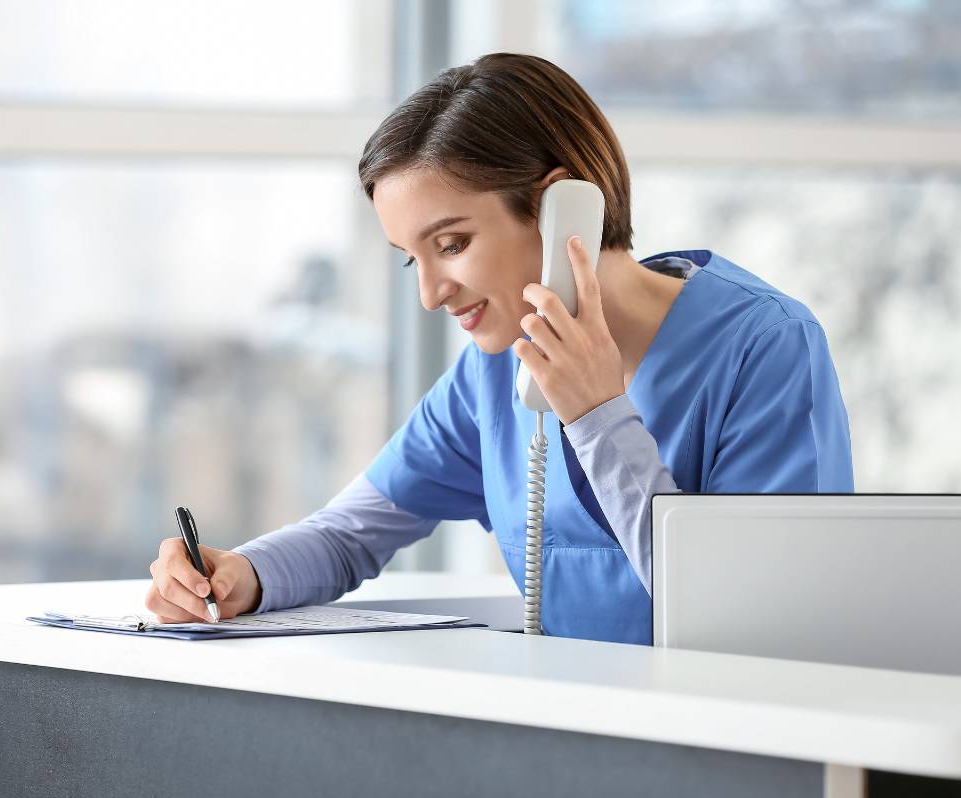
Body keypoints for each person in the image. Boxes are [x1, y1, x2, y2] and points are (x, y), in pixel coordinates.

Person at [145, 52, 854, 642]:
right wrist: (242, 574)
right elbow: (348, 535)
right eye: (408, 258)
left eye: (451, 244)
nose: (430, 294)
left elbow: (752, 623)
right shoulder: (491, 372)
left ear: (558, 209)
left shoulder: (764, 348)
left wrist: (598, 415)